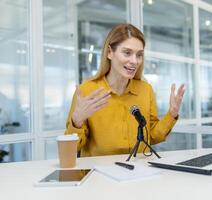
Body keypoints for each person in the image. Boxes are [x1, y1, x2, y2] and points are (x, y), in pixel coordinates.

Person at [65, 24, 185, 157]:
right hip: (99, 175)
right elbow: (71, 149)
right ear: (110, 52)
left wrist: (172, 114)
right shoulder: (87, 91)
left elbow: (151, 135)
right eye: (127, 53)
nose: (134, 61)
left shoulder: (146, 90)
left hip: (139, 172)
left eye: (139, 55)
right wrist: (77, 122)